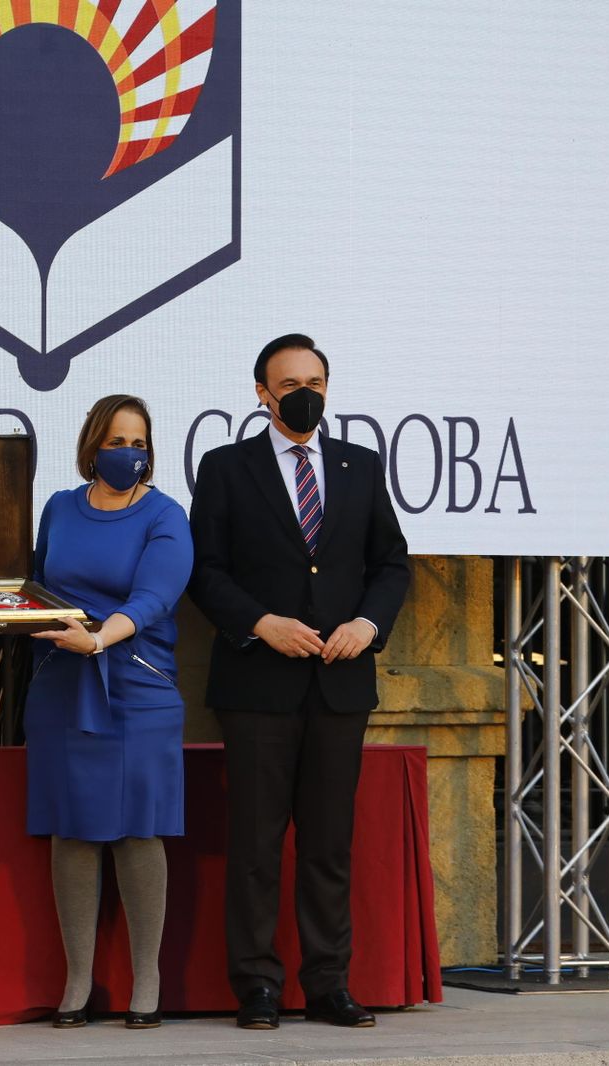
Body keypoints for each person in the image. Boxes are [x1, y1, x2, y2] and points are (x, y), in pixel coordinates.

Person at [188, 334, 409, 1031]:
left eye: (315, 380)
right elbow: (205, 571)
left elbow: (392, 565)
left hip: (341, 686)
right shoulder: (226, 468)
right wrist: (259, 622)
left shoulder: (360, 465)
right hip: (258, 684)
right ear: (262, 393)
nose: (304, 393)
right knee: (255, 844)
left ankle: (327, 983)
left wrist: (368, 626)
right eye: (289, 384)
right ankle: (255, 984)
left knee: (327, 844)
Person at [23, 395, 195, 1030]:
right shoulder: (60, 508)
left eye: (140, 442)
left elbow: (154, 597)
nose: (131, 452)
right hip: (61, 682)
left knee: (136, 828)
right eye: (118, 440)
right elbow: (38, 582)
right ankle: (77, 982)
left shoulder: (166, 514)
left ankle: (145, 982)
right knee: (72, 828)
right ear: (93, 445)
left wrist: (99, 637)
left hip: (137, 686)